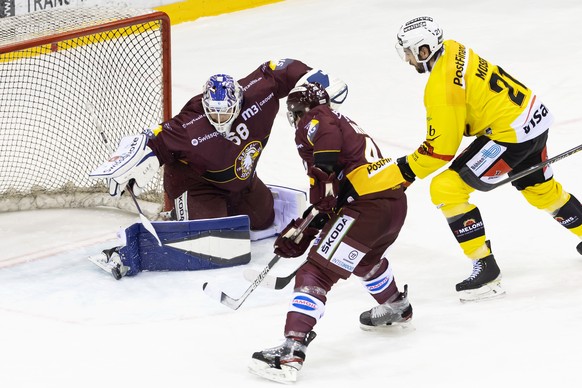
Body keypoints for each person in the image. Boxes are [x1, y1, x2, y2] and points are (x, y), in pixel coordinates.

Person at [89, 59, 348, 278]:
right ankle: (178, 215)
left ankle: (226, 206)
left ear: (238, 102)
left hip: (240, 181)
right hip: (197, 184)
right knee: (216, 243)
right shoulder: (190, 124)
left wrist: (313, 80)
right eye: (214, 114)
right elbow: (153, 141)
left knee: (264, 220)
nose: (220, 120)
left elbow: (281, 69)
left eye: (226, 114)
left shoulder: (259, 94)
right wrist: (128, 164)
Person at [393, 16, 582, 302]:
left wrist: (405, 172)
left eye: (408, 52)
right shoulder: (455, 48)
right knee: (542, 191)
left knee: (446, 187)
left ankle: (487, 271)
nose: (406, 59)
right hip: (532, 119)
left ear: (424, 50)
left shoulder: (441, 87)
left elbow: (441, 149)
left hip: (510, 136)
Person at [248, 83, 412, 384]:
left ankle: (291, 350)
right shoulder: (344, 122)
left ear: (299, 111)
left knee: (316, 272)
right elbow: (330, 203)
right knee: (364, 259)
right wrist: (307, 230)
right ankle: (395, 306)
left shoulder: (318, 119)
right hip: (393, 205)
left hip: (368, 209)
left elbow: (325, 139)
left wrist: (321, 168)